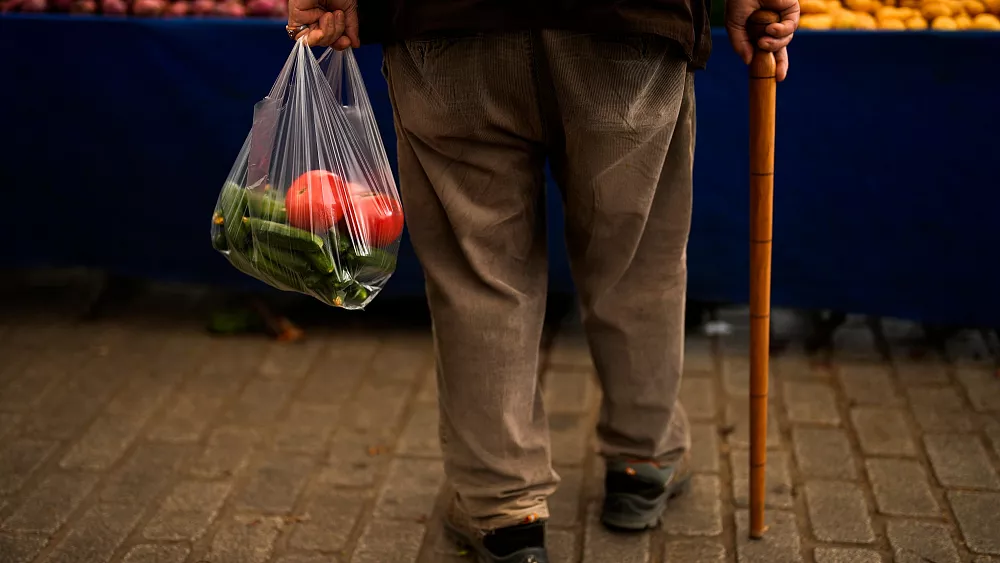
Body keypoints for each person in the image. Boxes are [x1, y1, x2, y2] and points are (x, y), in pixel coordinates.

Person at [287, 1, 798, 561]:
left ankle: (502, 504)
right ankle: (643, 458)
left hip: (448, 22)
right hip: (627, 21)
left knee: (479, 270)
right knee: (636, 258)